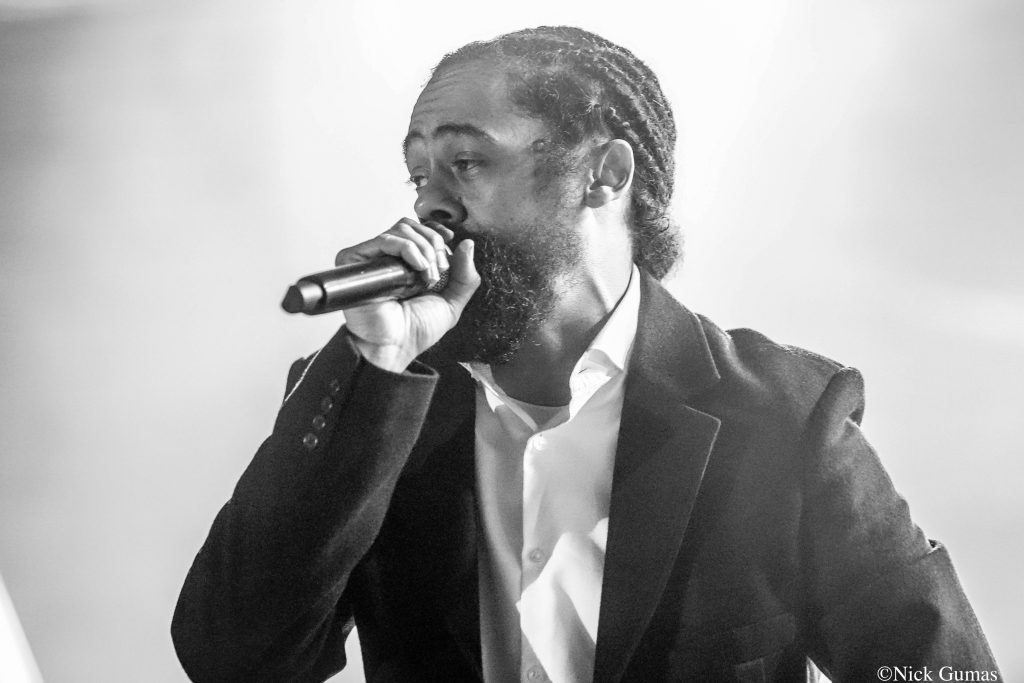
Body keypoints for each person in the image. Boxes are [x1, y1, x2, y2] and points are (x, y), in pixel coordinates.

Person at [172, 26, 999, 683]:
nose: (430, 208)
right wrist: (375, 366)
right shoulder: (376, 400)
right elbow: (230, 658)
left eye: (466, 162)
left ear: (604, 173)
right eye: (419, 175)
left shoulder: (782, 413)